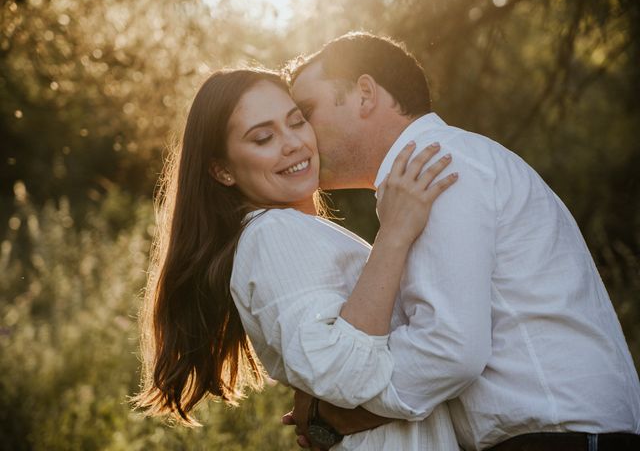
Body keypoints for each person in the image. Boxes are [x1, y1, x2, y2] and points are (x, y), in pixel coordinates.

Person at [283, 31, 640, 450]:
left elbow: (450, 349)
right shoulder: (429, 175)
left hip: (558, 438)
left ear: (364, 94)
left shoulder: (439, 167)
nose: (298, 137)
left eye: (306, 113)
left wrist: (338, 412)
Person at [132, 67, 462, 449]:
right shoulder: (272, 233)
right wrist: (394, 233)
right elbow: (344, 372)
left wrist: (323, 419)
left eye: (297, 121)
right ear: (222, 170)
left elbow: (341, 371)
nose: (292, 143)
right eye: (263, 138)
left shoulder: (297, 233)